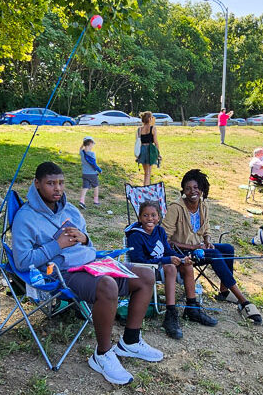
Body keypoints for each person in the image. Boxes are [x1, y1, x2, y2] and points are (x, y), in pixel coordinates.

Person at [12, 162, 162, 385]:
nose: (57, 189)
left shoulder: (70, 209)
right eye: (50, 183)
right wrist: (57, 245)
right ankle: (102, 354)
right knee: (108, 286)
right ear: (37, 184)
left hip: (91, 262)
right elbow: (22, 261)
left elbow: (86, 239)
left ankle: (130, 341)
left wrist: (85, 238)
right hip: (61, 273)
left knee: (146, 276)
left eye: (61, 183)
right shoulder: (25, 218)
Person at [163, 169, 262, 324]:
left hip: (197, 247)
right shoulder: (176, 207)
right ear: (183, 190)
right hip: (181, 252)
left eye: (195, 188)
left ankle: (223, 291)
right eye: (188, 189)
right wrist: (195, 246)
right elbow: (165, 239)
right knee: (215, 254)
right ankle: (243, 301)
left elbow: (206, 229)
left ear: (202, 189)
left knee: (228, 248)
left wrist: (207, 239)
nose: (192, 192)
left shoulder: (203, 205)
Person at [125, 201, 214, 340]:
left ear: (159, 217)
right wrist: (168, 260)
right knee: (171, 267)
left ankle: (192, 308)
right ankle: (170, 314)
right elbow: (139, 261)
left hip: (162, 265)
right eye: (145, 215)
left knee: (187, 265)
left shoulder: (159, 231)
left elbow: (167, 251)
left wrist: (183, 258)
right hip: (146, 270)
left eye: (153, 215)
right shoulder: (135, 236)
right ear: (140, 218)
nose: (150, 219)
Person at [136, 111, 161, 186]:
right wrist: (158, 153)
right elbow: (156, 142)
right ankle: (146, 188)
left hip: (142, 149)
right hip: (150, 150)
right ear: (150, 119)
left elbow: (137, 142)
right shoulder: (153, 128)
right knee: (148, 173)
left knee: (145, 172)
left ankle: (146, 186)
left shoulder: (139, 129)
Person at [79, 136, 102, 209]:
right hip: (92, 174)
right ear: (90, 143)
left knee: (85, 187)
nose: (93, 146)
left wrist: (83, 144)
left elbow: (80, 148)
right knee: (96, 186)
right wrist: (99, 170)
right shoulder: (92, 154)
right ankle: (96, 200)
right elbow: (93, 164)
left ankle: (82, 201)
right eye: (92, 144)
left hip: (84, 173)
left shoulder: (82, 152)